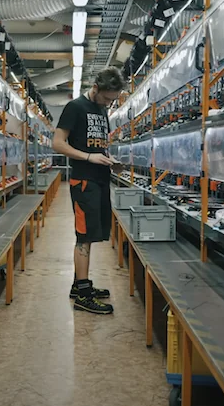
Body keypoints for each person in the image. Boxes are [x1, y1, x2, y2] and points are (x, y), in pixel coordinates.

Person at [52, 67, 126, 314]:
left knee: (93, 233)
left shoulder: (101, 110)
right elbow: (57, 143)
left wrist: (108, 161)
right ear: (95, 88)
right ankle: (83, 296)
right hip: (83, 180)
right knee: (84, 235)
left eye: (112, 99)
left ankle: (79, 284)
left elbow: (96, 145)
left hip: (100, 178)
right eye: (106, 98)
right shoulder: (75, 107)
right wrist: (88, 157)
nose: (108, 103)